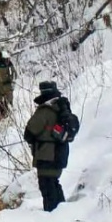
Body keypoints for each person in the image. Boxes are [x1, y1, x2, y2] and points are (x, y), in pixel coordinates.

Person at [23, 80, 80, 212]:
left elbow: (29, 131)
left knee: (47, 186)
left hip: (47, 155)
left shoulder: (45, 110)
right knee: (54, 183)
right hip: (60, 153)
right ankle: (61, 212)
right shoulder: (60, 107)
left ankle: (52, 216)